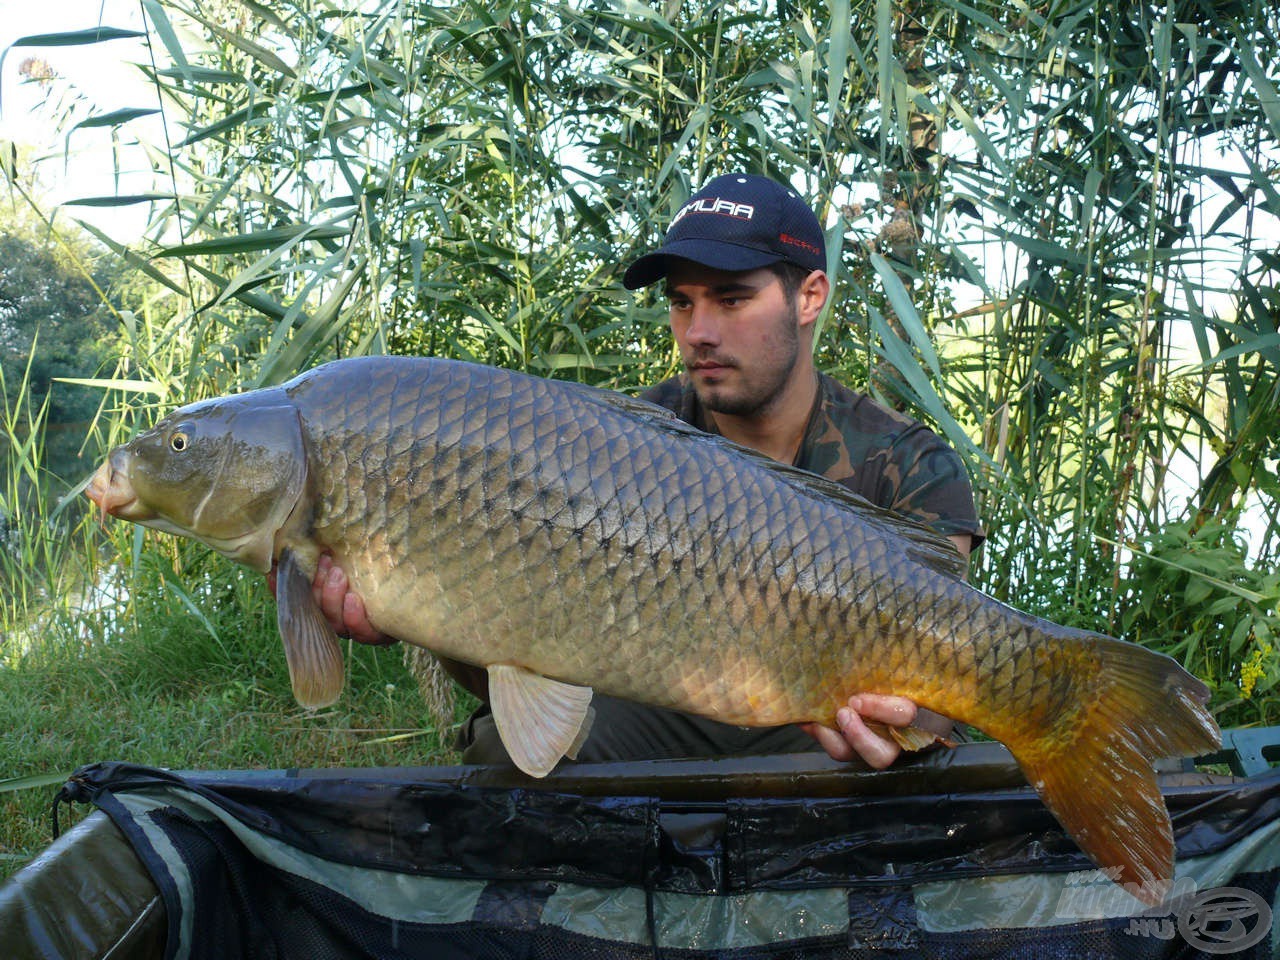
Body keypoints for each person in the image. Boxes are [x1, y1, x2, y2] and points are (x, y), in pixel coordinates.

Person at [305, 173, 984, 770]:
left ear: (809, 298)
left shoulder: (908, 462)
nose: (699, 331)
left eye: (731, 298)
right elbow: (537, 660)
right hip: (664, 709)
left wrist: (909, 727)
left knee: (945, 767)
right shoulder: (621, 448)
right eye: (682, 302)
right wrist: (416, 608)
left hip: (808, 724)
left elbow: (947, 671)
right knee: (500, 748)